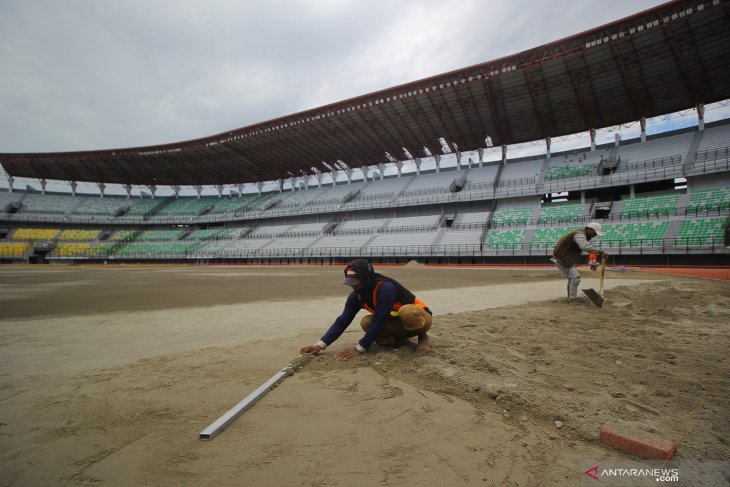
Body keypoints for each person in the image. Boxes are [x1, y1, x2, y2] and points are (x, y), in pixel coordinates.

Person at [300, 259, 433, 360]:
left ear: (366, 278)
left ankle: (422, 337)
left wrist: (359, 349)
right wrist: (320, 345)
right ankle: (399, 340)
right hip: (398, 323)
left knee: (407, 312)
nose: (354, 287)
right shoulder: (356, 296)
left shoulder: (386, 288)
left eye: (356, 283)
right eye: (351, 283)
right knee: (366, 322)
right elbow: (343, 320)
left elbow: (380, 320)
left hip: (421, 318)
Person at [551, 222, 609, 302]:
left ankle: (570, 298)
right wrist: (600, 252)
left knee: (573, 277)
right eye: (595, 233)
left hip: (563, 258)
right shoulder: (579, 235)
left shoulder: (581, 234)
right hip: (562, 259)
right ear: (589, 230)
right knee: (575, 277)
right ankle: (572, 299)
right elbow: (584, 246)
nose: (595, 235)